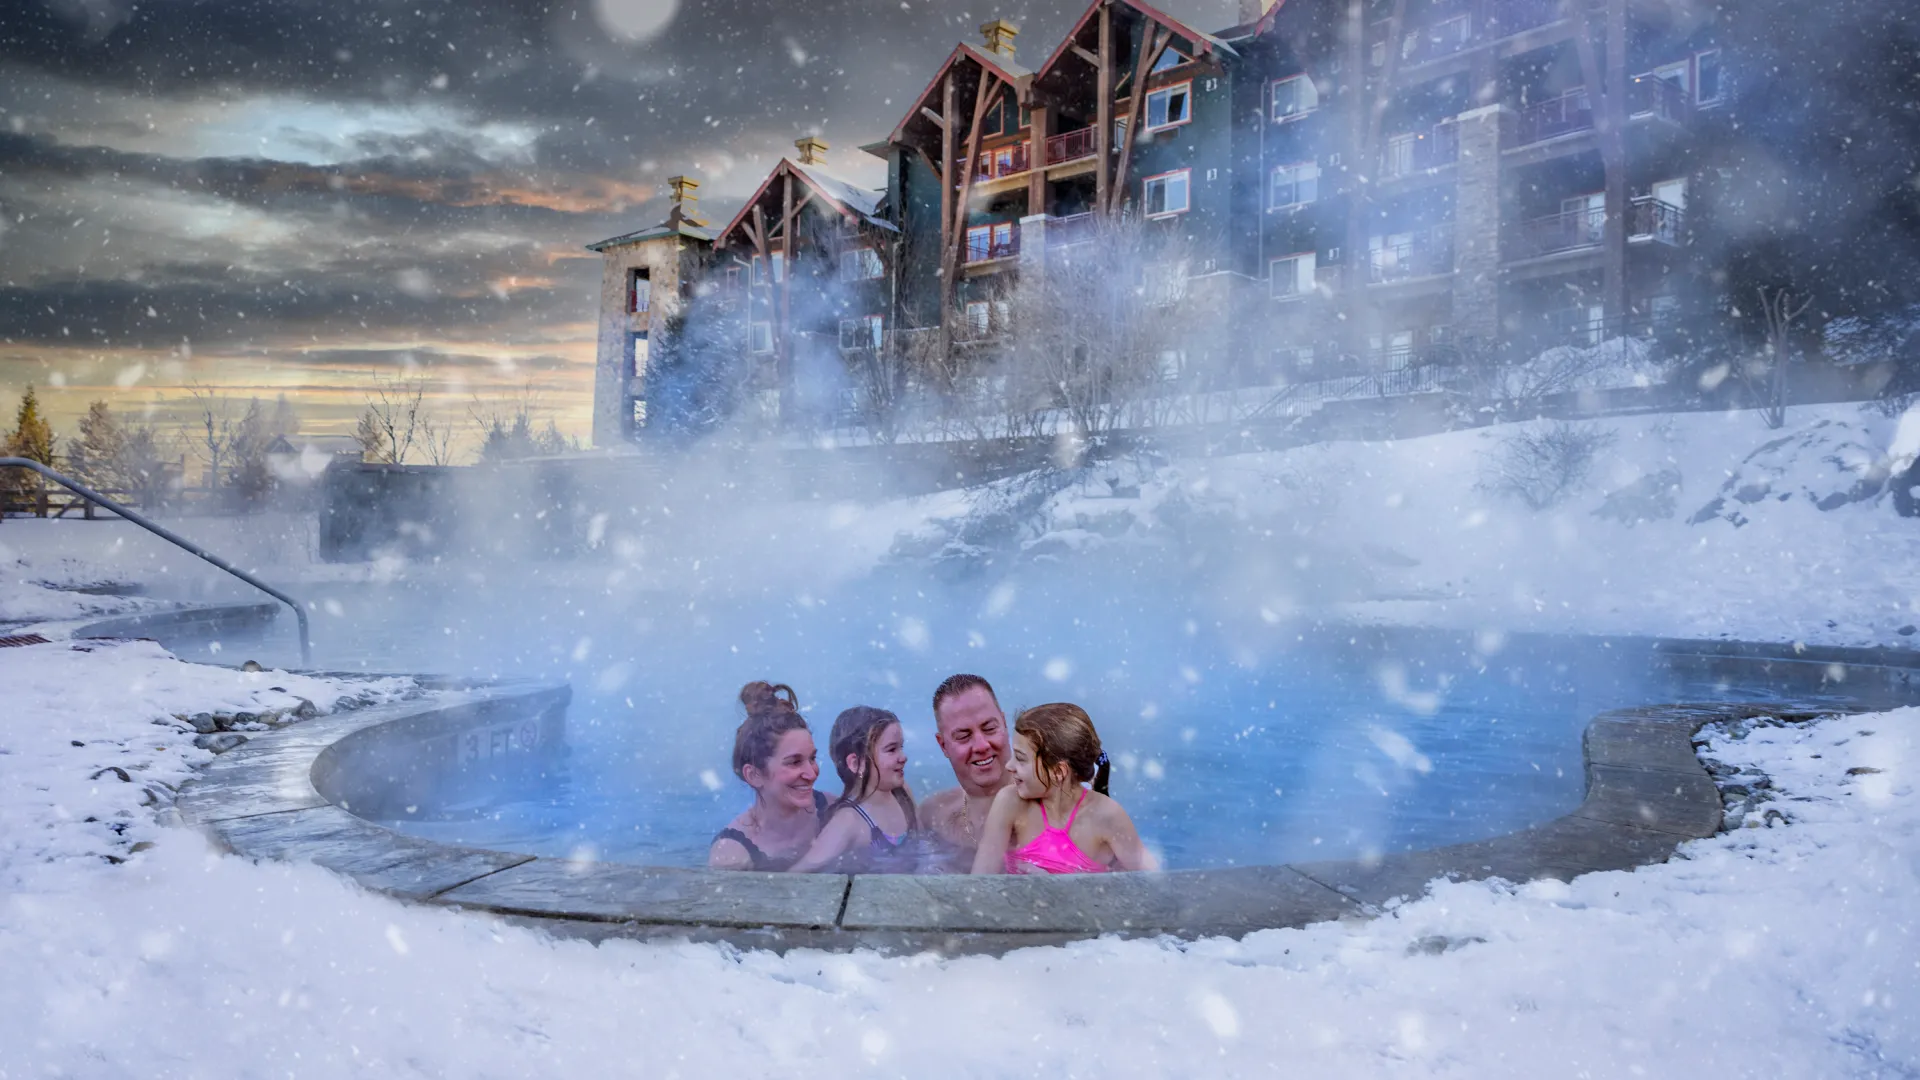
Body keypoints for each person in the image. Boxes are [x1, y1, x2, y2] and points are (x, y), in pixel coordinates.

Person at [971, 702, 1155, 875]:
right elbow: (979, 882)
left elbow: (1155, 884)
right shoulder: (1010, 802)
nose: (1009, 766)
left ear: (1058, 771)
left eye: (1020, 758)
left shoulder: (1107, 816)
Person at [708, 681, 827, 872]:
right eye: (795, 762)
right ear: (754, 775)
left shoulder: (833, 812)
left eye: (812, 758)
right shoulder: (732, 855)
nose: (812, 773)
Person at [788, 705, 917, 873]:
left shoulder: (902, 794)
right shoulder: (849, 821)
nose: (903, 757)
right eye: (892, 749)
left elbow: (923, 843)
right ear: (856, 764)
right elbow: (800, 873)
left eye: (901, 747)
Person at [919, 673, 1013, 859]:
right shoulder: (932, 815)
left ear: (1004, 723)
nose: (982, 745)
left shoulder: (1056, 810)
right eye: (963, 736)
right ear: (943, 745)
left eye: (989, 729)